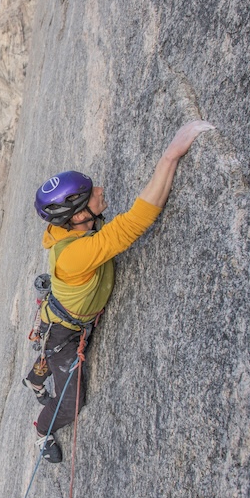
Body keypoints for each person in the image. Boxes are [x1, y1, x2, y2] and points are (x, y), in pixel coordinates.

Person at [25, 120, 214, 463]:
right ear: (79, 214)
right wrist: (170, 156)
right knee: (72, 400)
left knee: (51, 352)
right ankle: (41, 431)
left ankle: (34, 380)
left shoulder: (76, 236)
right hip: (63, 334)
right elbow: (135, 223)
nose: (100, 190)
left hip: (58, 324)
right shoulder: (78, 253)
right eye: (91, 192)